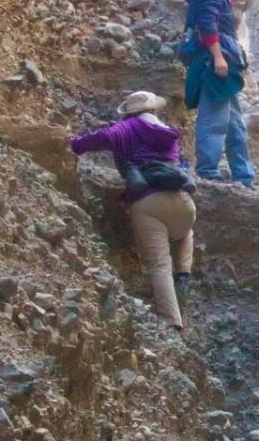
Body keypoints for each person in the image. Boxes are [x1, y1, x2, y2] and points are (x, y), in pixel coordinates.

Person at [68, 92, 196, 329]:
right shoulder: (169, 134)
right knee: (185, 232)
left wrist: (73, 144)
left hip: (148, 204)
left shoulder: (125, 127)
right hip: (184, 202)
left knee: (159, 263)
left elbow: (99, 138)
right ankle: (184, 272)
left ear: (129, 113)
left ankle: (172, 322)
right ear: (154, 111)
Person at [181, 0, 255, 187]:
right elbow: (206, 24)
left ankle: (243, 176)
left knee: (235, 123)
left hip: (222, 57)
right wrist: (218, 57)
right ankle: (207, 172)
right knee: (214, 118)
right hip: (214, 60)